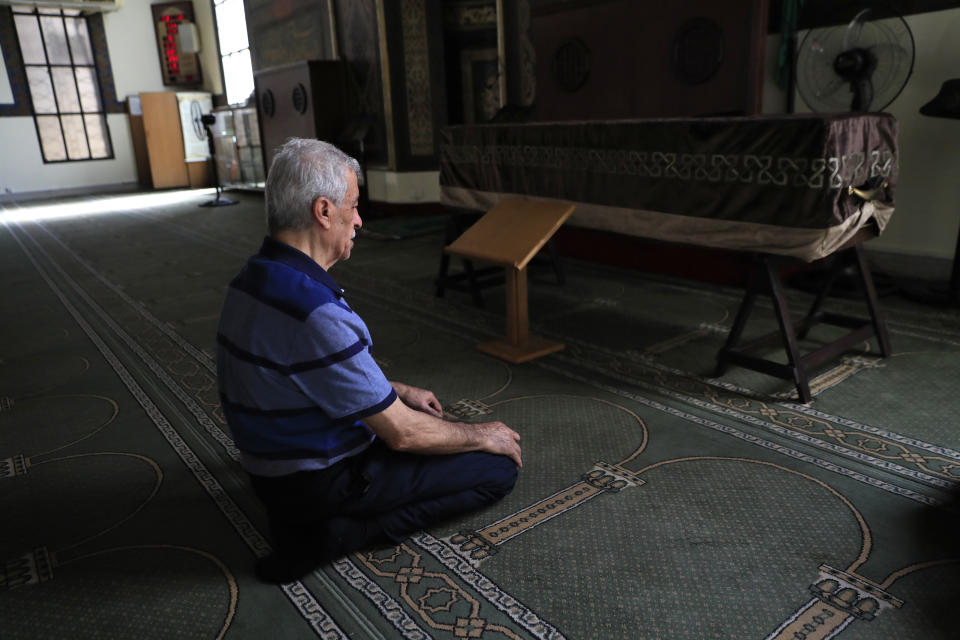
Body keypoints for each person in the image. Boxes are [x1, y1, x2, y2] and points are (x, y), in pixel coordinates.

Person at [216, 138, 521, 584]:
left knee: (419, 412)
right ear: (323, 211)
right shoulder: (313, 311)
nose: (358, 220)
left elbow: (296, 369)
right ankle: (344, 533)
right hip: (318, 481)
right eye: (353, 206)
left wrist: (391, 389)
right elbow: (402, 435)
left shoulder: (253, 277)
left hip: (269, 470)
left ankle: (314, 517)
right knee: (495, 467)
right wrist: (481, 434)